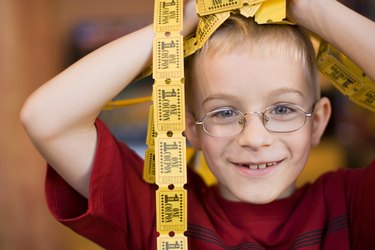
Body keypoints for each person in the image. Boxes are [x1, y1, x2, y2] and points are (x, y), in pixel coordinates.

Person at [20, 0, 375, 249]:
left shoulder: (351, 204)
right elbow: (46, 117)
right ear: (189, 128)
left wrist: (314, 7)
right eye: (223, 113)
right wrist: (175, 27)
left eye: (282, 109)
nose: (254, 138)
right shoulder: (160, 212)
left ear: (318, 122)